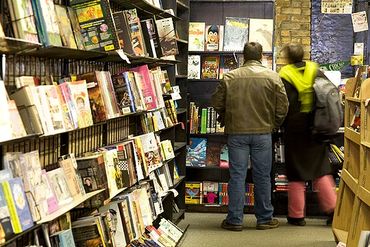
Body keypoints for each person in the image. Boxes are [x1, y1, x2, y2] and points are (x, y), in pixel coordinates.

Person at [212, 42, 289, 231]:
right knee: (263, 176)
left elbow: (217, 103)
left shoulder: (230, 77)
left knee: (237, 176)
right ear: (262, 55)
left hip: (237, 133)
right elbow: (283, 107)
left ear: (243, 56)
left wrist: (226, 117)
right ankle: (264, 219)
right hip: (263, 133)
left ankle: (235, 220)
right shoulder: (273, 77)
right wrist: (274, 124)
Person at [278, 44, 337, 226]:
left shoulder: (284, 75)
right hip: (317, 127)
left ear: (288, 58)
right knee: (321, 170)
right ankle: (334, 210)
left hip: (295, 129)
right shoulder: (316, 70)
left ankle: (296, 216)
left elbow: (281, 105)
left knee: (296, 173)